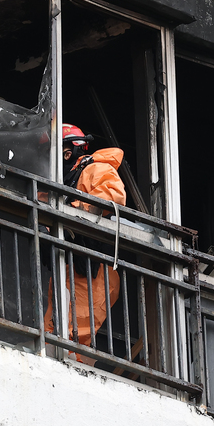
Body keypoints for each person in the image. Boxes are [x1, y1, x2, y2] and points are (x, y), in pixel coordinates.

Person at [44, 123, 127, 362]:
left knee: (74, 336)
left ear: (69, 152)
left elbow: (112, 197)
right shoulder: (69, 180)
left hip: (91, 271)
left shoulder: (95, 169)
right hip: (71, 266)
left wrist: (70, 212)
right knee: (54, 330)